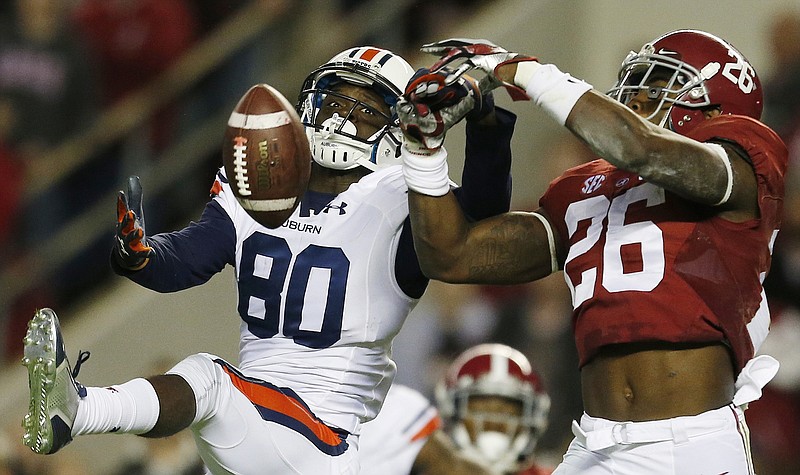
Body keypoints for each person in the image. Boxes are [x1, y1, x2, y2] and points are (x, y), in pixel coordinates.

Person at [21, 45, 516, 474]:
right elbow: (188, 258)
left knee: (208, 379)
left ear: (398, 125)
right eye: (335, 99)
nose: (341, 117)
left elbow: (481, 213)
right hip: (256, 428)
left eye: (365, 108)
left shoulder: (399, 197)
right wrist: (139, 254)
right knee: (217, 388)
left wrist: (485, 118)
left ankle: (79, 412)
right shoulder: (262, 184)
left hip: (323, 441)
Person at [396, 31, 787, 474]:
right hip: (596, 444)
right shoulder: (586, 186)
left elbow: (637, 147)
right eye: (636, 82)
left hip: (690, 442)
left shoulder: (744, 160)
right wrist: (423, 150)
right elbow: (451, 256)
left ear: (715, 109)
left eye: (659, 83)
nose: (636, 97)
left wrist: (523, 71)